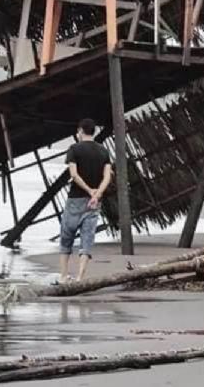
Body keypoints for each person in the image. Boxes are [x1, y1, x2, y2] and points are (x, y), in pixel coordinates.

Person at [58, 118, 112, 283]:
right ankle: (80, 277)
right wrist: (96, 194)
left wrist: (88, 190)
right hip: (94, 202)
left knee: (66, 237)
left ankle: (63, 276)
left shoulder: (74, 149)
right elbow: (107, 176)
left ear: (80, 131)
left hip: (75, 199)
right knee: (87, 239)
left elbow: (74, 174)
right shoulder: (103, 151)